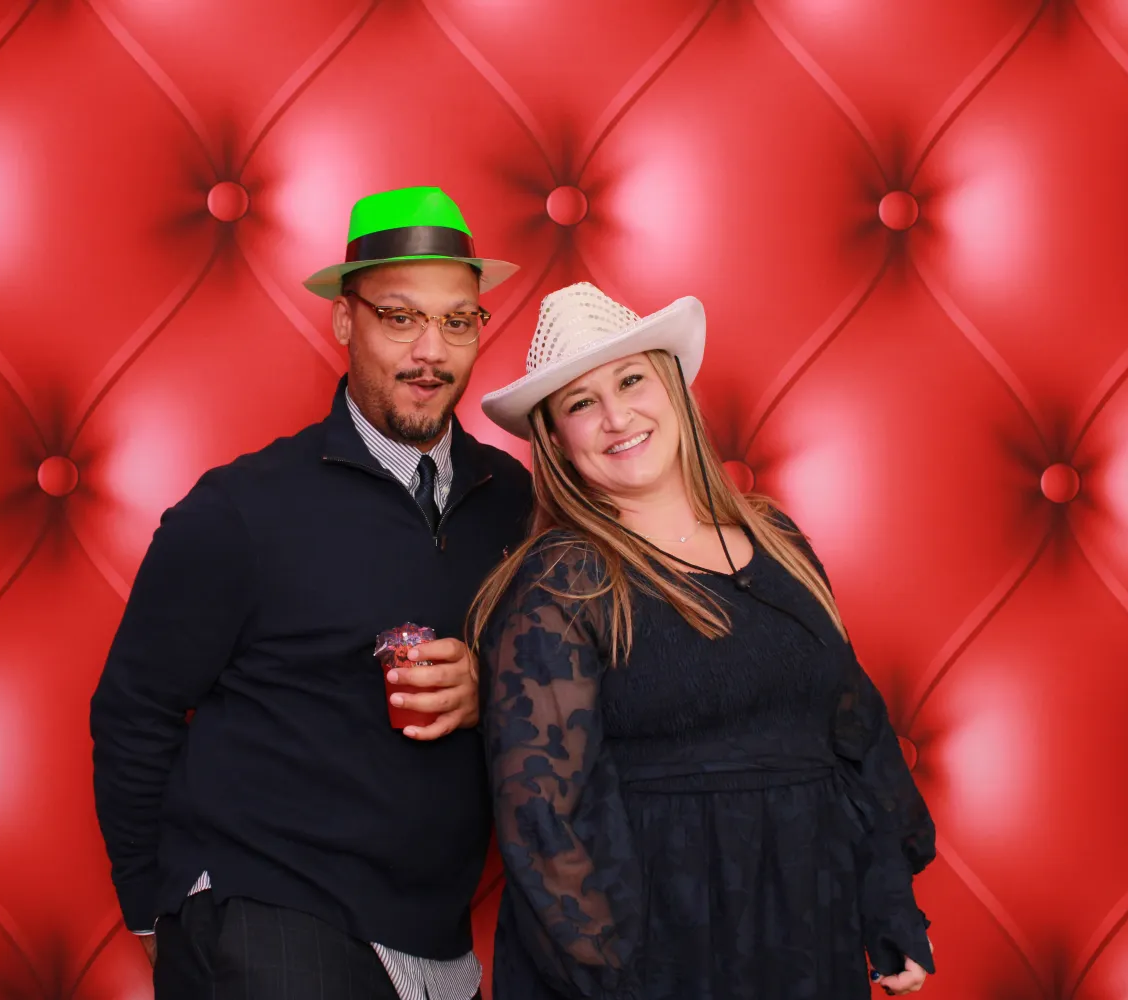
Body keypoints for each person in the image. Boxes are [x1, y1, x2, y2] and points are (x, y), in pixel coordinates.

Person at [89, 186, 533, 1000]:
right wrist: (154, 916)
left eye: (457, 320)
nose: (430, 350)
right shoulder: (242, 509)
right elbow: (134, 710)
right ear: (344, 321)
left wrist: (493, 683)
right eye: (400, 317)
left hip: (436, 937)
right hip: (270, 908)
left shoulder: (512, 500)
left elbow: (567, 682)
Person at [467, 282, 937, 999]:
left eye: (631, 380)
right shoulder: (564, 581)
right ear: (556, 439)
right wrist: (617, 975)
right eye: (581, 403)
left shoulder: (777, 540)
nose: (617, 416)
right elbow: (542, 821)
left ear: (674, 389)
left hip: (806, 923)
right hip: (658, 946)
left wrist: (887, 898)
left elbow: (853, 730)